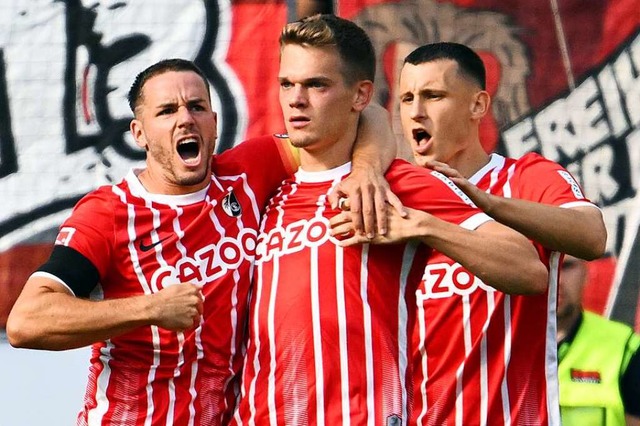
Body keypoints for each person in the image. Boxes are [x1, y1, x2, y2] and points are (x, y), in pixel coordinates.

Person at [5, 58, 400, 425]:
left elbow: (366, 115)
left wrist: (366, 171)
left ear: (214, 121)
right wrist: (150, 308)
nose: (185, 120)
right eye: (166, 111)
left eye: (196, 107)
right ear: (139, 133)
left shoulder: (249, 172)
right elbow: (27, 322)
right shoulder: (109, 213)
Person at [231, 15, 547, 425]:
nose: (296, 99)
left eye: (317, 85)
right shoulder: (264, 186)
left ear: (361, 94)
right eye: (287, 84)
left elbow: (528, 268)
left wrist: (422, 226)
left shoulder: (398, 184)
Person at [393, 42, 606, 425]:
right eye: (406, 98)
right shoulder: (393, 196)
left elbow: (592, 237)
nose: (416, 112)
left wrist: (489, 204)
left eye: (433, 95)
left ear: (478, 105)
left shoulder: (525, 177)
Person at [557, 255, 640, 426]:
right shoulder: (497, 343)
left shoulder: (625, 348)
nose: (556, 279)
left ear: (586, 273)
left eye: (567, 267)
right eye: (544, 266)